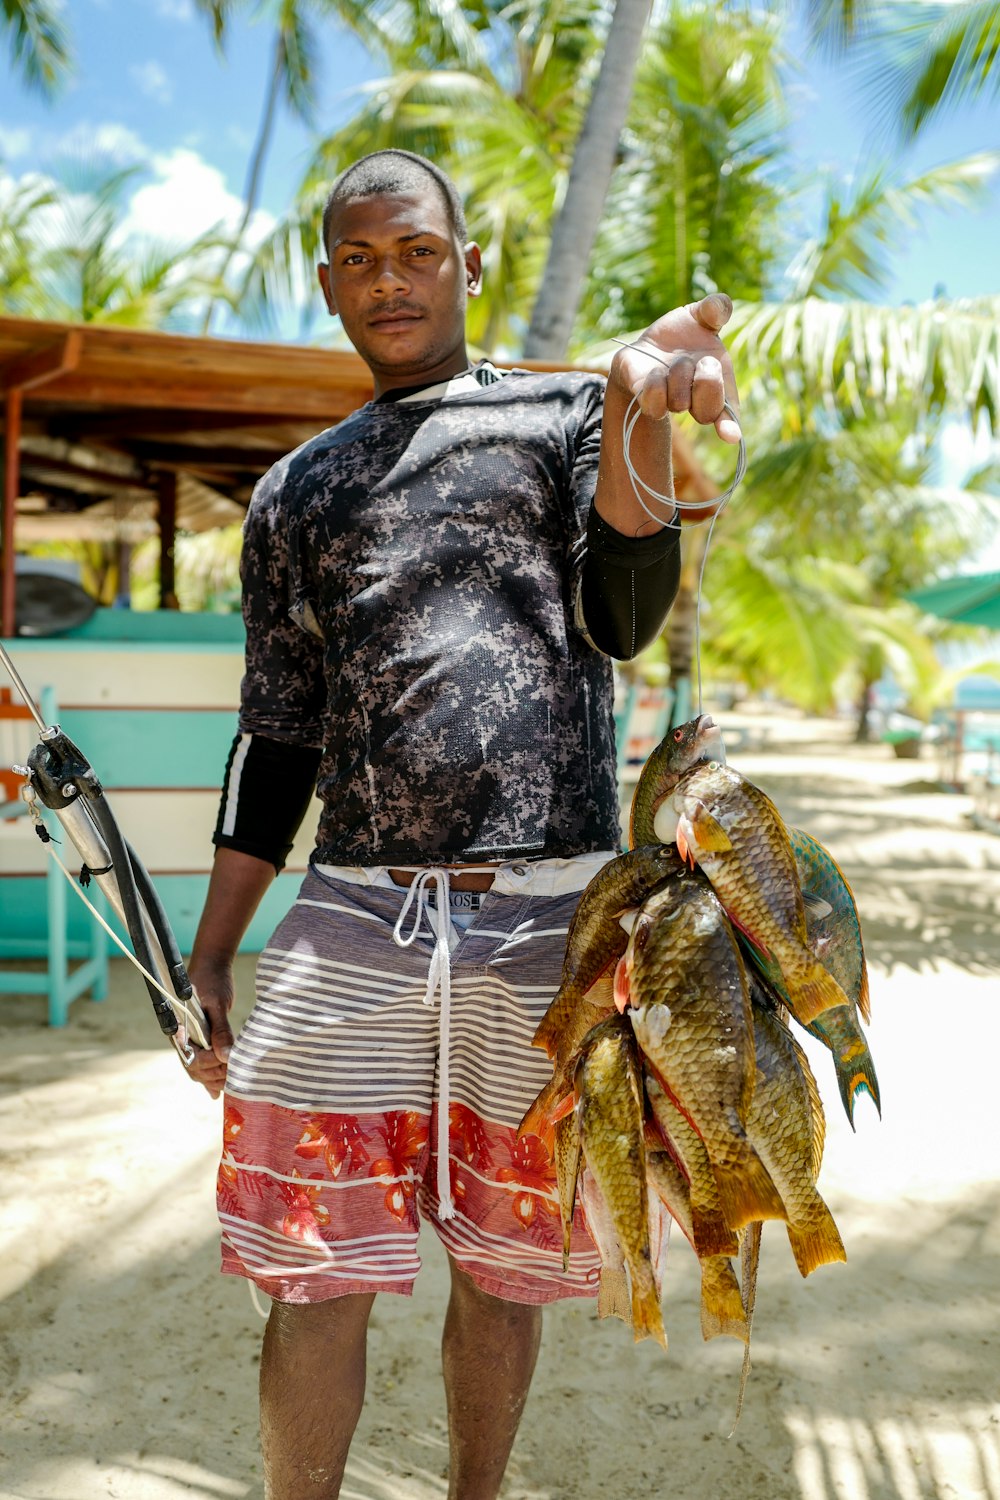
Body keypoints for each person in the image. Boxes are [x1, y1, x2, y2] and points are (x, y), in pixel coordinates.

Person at [186, 148, 741, 1500]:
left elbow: (622, 615)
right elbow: (277, 738)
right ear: (326, 284)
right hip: (355, 911)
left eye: (418, 251)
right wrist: (214, 950)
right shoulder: (295, 493)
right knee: (314, 1273)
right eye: (362, 259)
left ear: (468, 265)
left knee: (508, 1273)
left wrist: (637, 400)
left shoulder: (558, 420)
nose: (391, 279)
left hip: (546, 912)